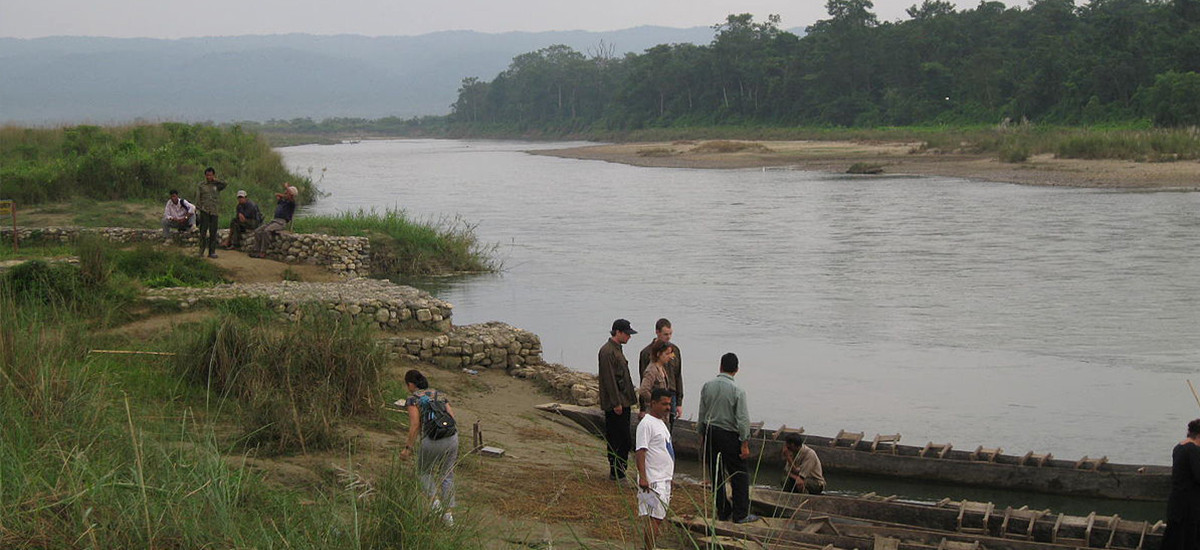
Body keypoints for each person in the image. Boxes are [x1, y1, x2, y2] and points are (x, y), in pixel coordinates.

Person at [697, 352, 758, 524]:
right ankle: (740, 514)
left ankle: (723, 510)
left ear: (720, 366)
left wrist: (701, 434)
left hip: (710, 432)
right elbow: (743, 420)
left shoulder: (707, 386)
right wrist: (744, 443)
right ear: (736, 370)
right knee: (739, 474)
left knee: (716, 474)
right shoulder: (737, 391)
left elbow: (702, 412)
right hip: (729, 435)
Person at [399, 369, 458, 526]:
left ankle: (435, 505)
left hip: (432, 439)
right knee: (447, 474)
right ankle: (448, 518)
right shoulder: (439, 394)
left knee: (423, 472)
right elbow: (452, 417)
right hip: (452, 437)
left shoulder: (413, 399)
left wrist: (408, 449)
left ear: (411, 384)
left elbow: (415, 425)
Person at [636, 388, 675, 550]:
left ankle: (650, 547)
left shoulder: (661, 423)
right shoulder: (646, 424)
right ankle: (648, 548)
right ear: (653, 403)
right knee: (655, 518)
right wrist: (643, 477)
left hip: (663, 478)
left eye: (669, 404)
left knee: (657, 517)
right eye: (664, 404)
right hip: (653, 481)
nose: (668, 408)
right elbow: (640, 451)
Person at [599, 318, 637, 482]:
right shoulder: (607, 351)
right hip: (617, 404)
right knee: (618, 438)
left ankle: (620, 471)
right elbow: (609, 379)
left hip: (624, 401)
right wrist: (616, 403)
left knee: (624, 438)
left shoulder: (617, 349)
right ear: (618, 332)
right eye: (627, 334)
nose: (629, 337)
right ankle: (616, 473)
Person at [1162, 418, 1200, 549]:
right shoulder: (1193, 450)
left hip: (1177, 503)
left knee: (1174, 539)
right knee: (1186, 541)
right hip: (1188, 507)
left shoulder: (1179, 447)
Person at [639, 318, 682, 428]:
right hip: (656, 396)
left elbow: (678, 375)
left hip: (671, 393)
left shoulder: (675, 350)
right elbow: (643, 384)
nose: (668, 337)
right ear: (657, 332)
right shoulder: (646, 353)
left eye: (670, 334)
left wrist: (679, 402)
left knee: (668, 426)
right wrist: (643, 407)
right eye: (665, 334)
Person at [249, 183, 298, 259]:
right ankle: (256, 250)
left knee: (266, 231)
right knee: (258, 231)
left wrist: (287, 187)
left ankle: (263, 252)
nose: (285, 192)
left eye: (287, 192)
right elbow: (282, 197)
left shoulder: (292, 203)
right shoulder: (283, 201)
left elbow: (291, 195)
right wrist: (281, 196)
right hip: (274, 221)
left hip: (281, 222)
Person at [195, 167, 227, 258]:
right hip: (204, 211)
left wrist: (215, 180)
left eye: (211, 175)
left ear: (213, 175)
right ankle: (201, 251)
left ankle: (211, 252)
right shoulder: (201, 185)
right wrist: (199, 208)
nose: (209, 177)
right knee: (203, 232)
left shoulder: (217, 185)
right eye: (208, 175)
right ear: (205, 175)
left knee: (213, 232)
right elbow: (198, 197)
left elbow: (225, 184)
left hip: (214, 212)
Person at [638, 339, 674, 417]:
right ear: (658, 354)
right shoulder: (651, 370)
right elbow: (643, 390)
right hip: (653, 413)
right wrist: (656, 402)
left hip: (662, 413)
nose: (670, 357)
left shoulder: (662, 368)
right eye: (667, 354)